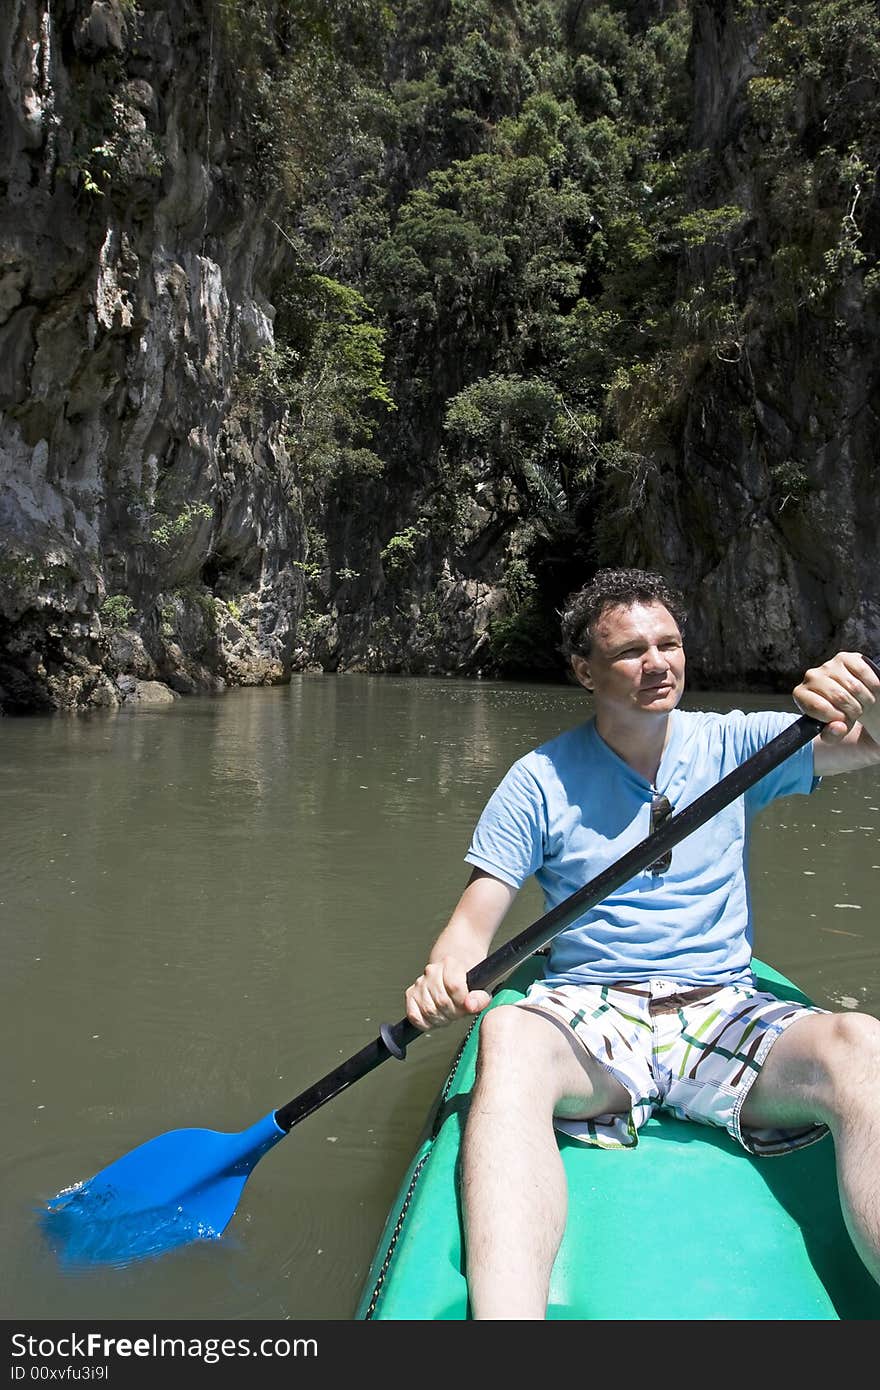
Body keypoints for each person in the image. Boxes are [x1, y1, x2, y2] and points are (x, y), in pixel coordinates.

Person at [404, 567, 880, 1320]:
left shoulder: (740, 742)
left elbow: (869, 748)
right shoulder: (538, 781)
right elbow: (473, 922)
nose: (658, 662)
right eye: (631, 651)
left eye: (670, 644)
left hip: (723, 1008)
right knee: (507, 1035)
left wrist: (869, 704)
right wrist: (441, 975)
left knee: (861, 1043)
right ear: (584, 670)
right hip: (591, 1016)